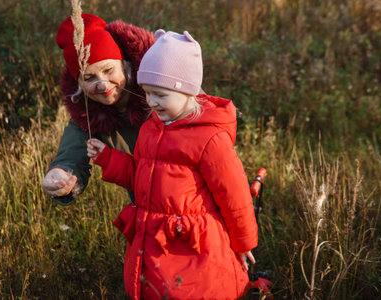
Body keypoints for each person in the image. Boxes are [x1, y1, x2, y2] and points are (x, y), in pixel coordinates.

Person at [87, 29, 258, 299]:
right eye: (147, 93)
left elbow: (235, 196)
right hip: (153, 244)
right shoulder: (150, 129)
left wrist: (244, 242)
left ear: (187, 90)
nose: (152, 102)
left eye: (160, 95)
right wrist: (108, 158)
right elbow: (139, 177)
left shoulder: (210, 139)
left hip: (194, 248)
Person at [41, 13, 155, 205]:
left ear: (124, 65)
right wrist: (60, 175)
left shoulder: (162, 86)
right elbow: (71, 154)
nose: (102, 85)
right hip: (144, 203)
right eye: (89, 78)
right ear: (79, 85)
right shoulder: (88, 114)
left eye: (108, 70)